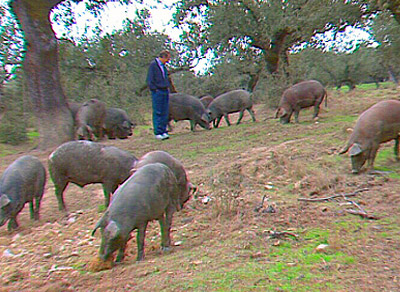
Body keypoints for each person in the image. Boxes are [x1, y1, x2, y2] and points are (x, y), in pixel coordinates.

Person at [147, 50, 171, 140]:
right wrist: (155, 89)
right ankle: (158, 132)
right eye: (168, 58)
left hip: (165, 91)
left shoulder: (164, 67)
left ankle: (164, 131)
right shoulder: (153, 65)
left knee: (165, 111)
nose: (168, 60)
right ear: (163, 57)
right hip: (158, 91)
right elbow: (150, 79)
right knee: (158, 111)